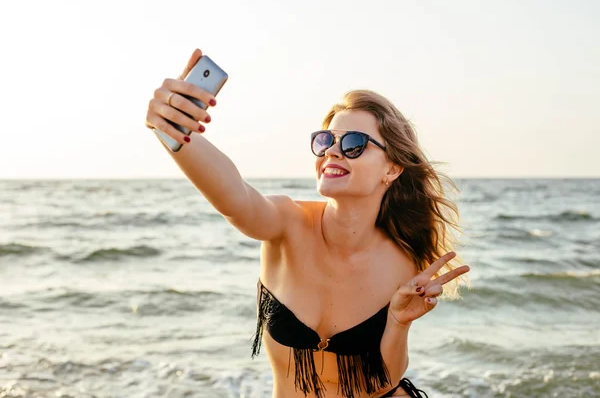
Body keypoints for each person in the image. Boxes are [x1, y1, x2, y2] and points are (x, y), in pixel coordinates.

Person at [144, 48, 471, 398]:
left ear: (391, 169)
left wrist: (398, 322)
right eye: (326, 140)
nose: (332, 151)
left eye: (354, 144)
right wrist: (175, 131)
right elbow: (236, 199)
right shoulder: (286, 223)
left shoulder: (401, 261)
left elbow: (380, 385)